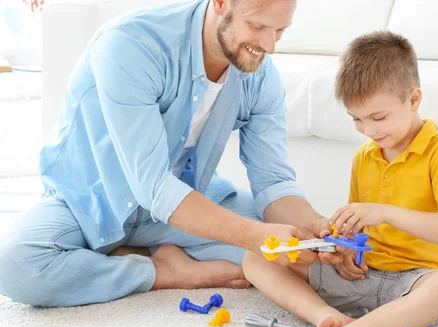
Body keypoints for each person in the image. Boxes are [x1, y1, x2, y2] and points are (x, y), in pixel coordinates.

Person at [0, 0, 335, 307]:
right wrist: (253, 236)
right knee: (15, 263)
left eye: (280, 31)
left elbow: (273, 180)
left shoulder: (259, 76)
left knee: (304, 262)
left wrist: (316, 231)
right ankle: (165, 271)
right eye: (258, 27)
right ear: (220, 3)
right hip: (89, 203)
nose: (270, 46)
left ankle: (135, 251)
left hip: (182, 207)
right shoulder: (130, 45)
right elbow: (154, 187)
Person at [242, 31, 438, 327]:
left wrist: (385, 213)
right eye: (357, 120)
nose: (368, 131)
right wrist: (346, 251)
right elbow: (358, 232)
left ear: (413, 99)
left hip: (416, 284)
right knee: (257, 256)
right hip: (364, 280)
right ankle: (329, 318)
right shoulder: (366, 156)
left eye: (378, 118)